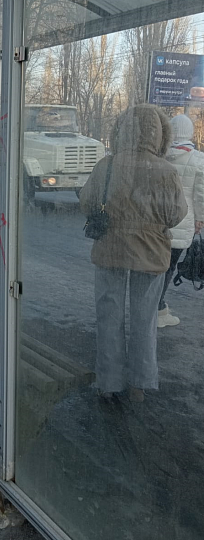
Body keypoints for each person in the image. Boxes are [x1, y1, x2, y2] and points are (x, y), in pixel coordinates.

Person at [79, 105, 187, 403]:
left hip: (110, 249)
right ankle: (139, 384)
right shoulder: (166, 170)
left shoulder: (107, 165)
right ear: (160, 134)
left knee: (109, 316)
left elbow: (87, 202)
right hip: (151, 253)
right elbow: (176, 214)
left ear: (120, 130)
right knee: (145, 319)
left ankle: (108, 382)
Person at [158, 114, 204, 327]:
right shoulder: (198, 159)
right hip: (183, 219)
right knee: (169, 265)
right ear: (190, 133)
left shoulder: (159, 156)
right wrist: (200, 219)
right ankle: (158, 309)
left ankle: (151, 304)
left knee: (154, 264)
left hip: (157, 219)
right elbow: (200, 194)